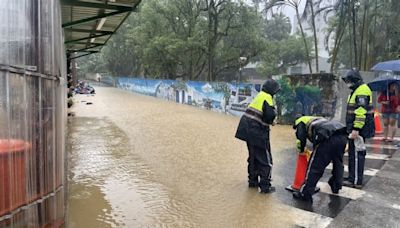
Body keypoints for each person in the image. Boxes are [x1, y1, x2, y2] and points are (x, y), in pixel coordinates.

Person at [235, 79, 280, 193]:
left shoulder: (259, 95)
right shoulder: (268, 98)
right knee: (265, 159)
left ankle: (253, 182)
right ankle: (265, 187)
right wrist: (273, 121)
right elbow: (269, 116)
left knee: (253, 156)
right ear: (272, 91)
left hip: (246, 129)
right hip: (257, 131)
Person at [292, 116, 347, 202]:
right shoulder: (315, 119)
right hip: (341, 135)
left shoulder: (300, 122)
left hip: (327, 138)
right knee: (338, 163)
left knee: (315, 167)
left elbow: (301, 139)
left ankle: (305, 193)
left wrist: (302, 150)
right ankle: (336, 186)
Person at [341, 70, 374, 189]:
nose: (348, 84)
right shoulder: (356, 90)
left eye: (349, 81)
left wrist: (356, 129)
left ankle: (355, 180)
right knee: (352, 153)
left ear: (356, 80)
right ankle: (351, 177)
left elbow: (361, 111)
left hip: (359, 129)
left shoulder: (362, 91)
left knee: (356, 154)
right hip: (355, 128)